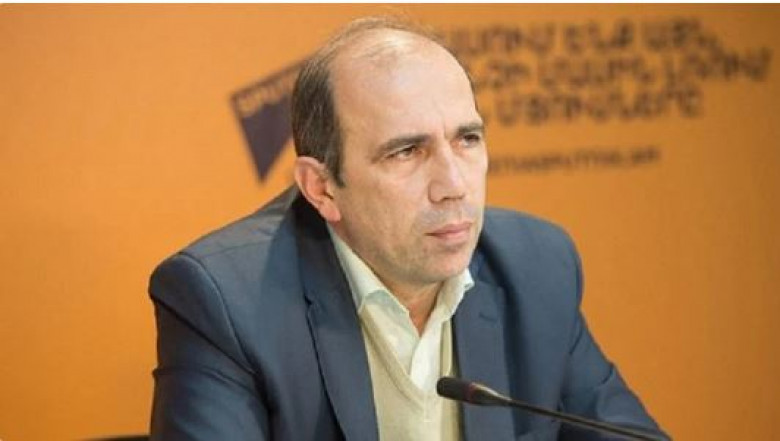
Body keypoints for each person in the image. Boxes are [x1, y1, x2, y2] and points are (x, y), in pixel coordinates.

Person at [149, 17, 667, 441]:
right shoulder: (227, 301)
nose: (453, 185)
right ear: (322, 188)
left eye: (467, 140)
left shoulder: (536, 267)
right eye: (406, 152)